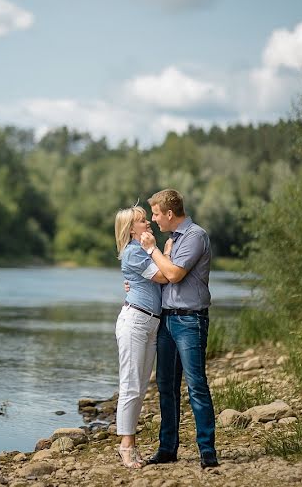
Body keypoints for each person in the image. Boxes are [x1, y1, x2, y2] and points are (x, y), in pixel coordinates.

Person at [140, 189, 219, 469]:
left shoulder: (196, 236)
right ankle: (167, 448)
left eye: (156, 214)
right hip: (167, 320)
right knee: (166, 387)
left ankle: (207, 450)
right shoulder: (172, 240)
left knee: (196, 385)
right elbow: (161, 276)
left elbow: (173, 274)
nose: (154, 219)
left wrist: (152, 249)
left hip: (189, 320)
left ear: (169, 214)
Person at [112, 205, 168, 468]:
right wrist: (156, 249)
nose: (147, 223)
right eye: (141, 220)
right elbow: (164, 276)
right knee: (131, 386)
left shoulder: (142, 251)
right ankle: (126, 447)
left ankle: (129, 443)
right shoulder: (134, 252)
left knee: (140, 387)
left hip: (150, 323)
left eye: (146, 219)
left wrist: (159, 250)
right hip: (135, 321)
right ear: (130, 228)